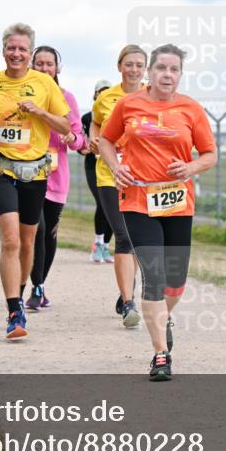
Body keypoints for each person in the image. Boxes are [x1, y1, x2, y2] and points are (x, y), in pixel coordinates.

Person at [98, 43, 217, 381]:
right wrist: (116, 166)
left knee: (175, 284)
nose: (167, 74)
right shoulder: (128, 104)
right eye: (161, 68)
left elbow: (210, 154)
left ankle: (163, 318)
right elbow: (106, 140)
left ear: (180, 75)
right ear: (149, 72)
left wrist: (190, 167)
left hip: (177, 202)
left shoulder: (191, 109)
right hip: (137, 199)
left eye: (174, 69)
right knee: (154, 277)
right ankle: (160, 355)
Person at [0, 22, 71, 339]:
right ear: (3, 50)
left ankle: (21, 290)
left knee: (27, 243)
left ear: (30, 53)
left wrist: (40, 112)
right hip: (0, 168)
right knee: (11, 240)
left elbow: (65, 125)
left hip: (34, 172)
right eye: (11, 48)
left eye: (22, 49)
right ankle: (14, 311)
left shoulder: (44, 83)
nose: (16, 53)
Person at [24, 46, 87, 311]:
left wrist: (72, 138)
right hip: (28, 173)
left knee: (49, 233)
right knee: (35, 230)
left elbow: (80, 139)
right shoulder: (23, 95)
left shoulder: (66, 98)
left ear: (57, 68)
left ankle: (39, 287)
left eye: (49, 64)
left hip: (56, 176)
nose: (44, 68)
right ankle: (35, 285)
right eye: (39, 63)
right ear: (31, 66)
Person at [91, 44, 147, 327]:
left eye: (139, 65)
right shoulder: (106, 98)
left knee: (136, 238)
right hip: (109, 174)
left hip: (142, 176)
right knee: (124, 236)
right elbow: (96, 124)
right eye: (129, 64)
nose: (134, 69)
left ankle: (127, 286)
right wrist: (94, 139)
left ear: (145, 69)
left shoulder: (153, 96)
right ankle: (128, 303)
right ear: (119, 67)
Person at [79, 80, 114, 263]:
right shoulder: (87, 118)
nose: (104, 95)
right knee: (102, 203)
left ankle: (106, 246)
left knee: (114, 206)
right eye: (101, 91)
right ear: (95, 95)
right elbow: (81, 141)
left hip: (112, 165)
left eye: (108, 91)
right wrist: (83, 149)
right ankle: (98, 243)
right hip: (93, 166)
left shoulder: (116, 115)